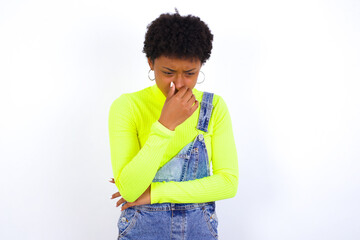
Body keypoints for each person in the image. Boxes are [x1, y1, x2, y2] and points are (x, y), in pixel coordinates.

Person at [108, 9, 238, 240]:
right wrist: (166, 124)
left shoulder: (214, 107)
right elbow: (129, 189)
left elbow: (228, 183)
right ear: (150, 62)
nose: (178, 83)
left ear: (201, 66)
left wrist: (154, 192)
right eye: (168, 72)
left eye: (190, 73)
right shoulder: (127, 106)